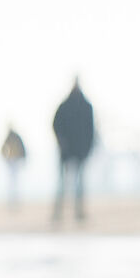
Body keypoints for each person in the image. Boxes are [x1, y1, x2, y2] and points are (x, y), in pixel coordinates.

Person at [51, 78, 95, 224]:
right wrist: (62, 142)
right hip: (70, 151)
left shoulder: (82, 106)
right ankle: (61, 212)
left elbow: (91, 131)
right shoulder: (72, 106)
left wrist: (87, 147)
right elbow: (56, 125)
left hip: (76, 151)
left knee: (77, 184)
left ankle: (76, 212)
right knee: (65, 184)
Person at [0, 125, 27, 208]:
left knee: (13, 181)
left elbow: (22, 148)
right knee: (13, 181)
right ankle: (12, 200)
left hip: (14, 160)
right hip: (12, 160)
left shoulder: (13, 137)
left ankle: (14, 199)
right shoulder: (11, 137)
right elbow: (2, 148)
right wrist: (5, 158)